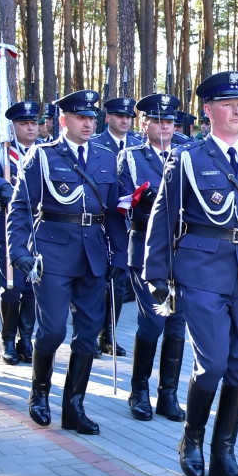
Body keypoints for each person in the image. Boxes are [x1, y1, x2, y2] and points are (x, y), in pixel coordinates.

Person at [143, 70, 238, 476]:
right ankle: (192, 440)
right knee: (214, 362)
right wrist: (158, 277)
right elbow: (163, 218)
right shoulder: (188, 157)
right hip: (201, 271)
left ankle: (225, 451)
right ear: (208, 110)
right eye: (228, 104)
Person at [7, 89, 128, 435]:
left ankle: (74, 406)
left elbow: (114, 212)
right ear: (63, 120)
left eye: (92, 118)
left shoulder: (106, 156)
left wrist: (119, 255)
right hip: (53, 252)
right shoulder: (42, 156)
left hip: (93, 254)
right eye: (80, 117)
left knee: (88, 335)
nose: (88, 123)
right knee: (53, 330)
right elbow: (20, 207)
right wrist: (19, 250)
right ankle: (39, 393)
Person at [119, 93, 188, 421]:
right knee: (153, 323)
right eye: (158, 121)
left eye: (170, 122)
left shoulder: (186, 154)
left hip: (183, 253)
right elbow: (127, 199)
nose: (164, 127)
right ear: (144, 123)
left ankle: (168, 394)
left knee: (177, 326)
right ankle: (139, 390)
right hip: (147, 251)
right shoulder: (132, 156)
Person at [0, 100, 41, 365]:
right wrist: (5, 190)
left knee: (31, 287)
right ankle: (7, 340)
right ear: (13, 126)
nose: (30, 128)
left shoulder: (46, 151)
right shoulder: (2, 152)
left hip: (37, 228)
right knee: (11, 287)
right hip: (7, 224)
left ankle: (25, 339)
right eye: (23, 124)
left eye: (33, 123)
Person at [93, 97, 141, 357]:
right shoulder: (95, 144)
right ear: (108, 117)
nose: (125, 120)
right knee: (96, 280)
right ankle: (90, 333)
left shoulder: (137, 146)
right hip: (101, 222)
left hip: (129, 225)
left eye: (128, 116)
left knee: (119, 282)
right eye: (119, 116)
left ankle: (108, 333)